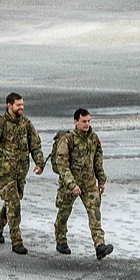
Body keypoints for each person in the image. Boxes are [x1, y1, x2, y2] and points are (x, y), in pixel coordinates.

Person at [0, 92, 44, 255]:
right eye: (18, 105)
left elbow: (35, 144)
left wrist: (39, 162)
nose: (21, 107)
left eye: (22, 104)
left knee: (12, 203)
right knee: (14, 204)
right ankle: (17, 241)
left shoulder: (26, 124)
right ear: (9, 105)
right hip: (5, 172)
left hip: (21, 172)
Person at [53, 108, 112, 259]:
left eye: (88, 121)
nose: (87, 124)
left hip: (89, 183)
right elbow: (62, 164)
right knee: (64, 212)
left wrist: (101, 180)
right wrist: (72, 184)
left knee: (95, 212)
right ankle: (61, 240)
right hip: (69, 183)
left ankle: (99, 245)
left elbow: (98, 161)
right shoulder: (67, 139)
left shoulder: (93, 138)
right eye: (84, 121)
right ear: (76, 121)